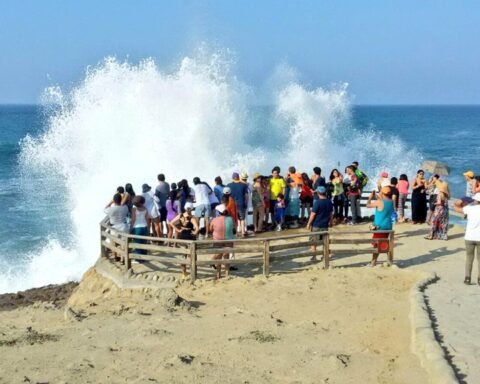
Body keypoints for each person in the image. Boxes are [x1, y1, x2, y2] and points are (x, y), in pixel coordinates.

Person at [454, 193, 480, 285]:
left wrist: (459, 201)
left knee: (469, 258)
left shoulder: (469, 209)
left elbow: (456, 208)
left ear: (476, 201)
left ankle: (467, 278)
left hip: (469, 237)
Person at [169, 202, 199, 277]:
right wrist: (195, 233)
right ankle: (193, 272)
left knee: (183, 255)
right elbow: (197, 228)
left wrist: (178, 230)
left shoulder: (180, 215)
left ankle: (184, 273)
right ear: (192, 208)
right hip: (190, 236)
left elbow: (171, 223)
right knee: (191, 255)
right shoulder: (192, 218)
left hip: (182, 236)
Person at [366, 186, 394, 267]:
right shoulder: (392, 201)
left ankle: (373, 262)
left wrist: (370, 197)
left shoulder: (379, 202)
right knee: (384, 243)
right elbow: (384, 200)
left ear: (382, 193)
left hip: (379, 227)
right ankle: (388, 260)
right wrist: (378, 196)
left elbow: (368, 205)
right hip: (388, 226)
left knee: (376, 245)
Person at [306, 186, 333, 261]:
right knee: (325, 241)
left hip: (316, 225)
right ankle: (325, 256)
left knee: (313, 241)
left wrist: (308, 224)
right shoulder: (329, 202)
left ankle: (314, 257)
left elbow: (312, 214)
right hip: (325, 225)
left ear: (318, 193)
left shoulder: (317, 202)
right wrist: (331, 222)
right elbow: (331, 214)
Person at [209, 204, 235, 279]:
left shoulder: (214, 220)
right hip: (229, 240)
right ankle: (227, 274)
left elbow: (211, 229)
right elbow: (234, 228)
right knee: (226, 257)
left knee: (218, 258)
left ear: (218, 212)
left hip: (218, 240)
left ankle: (218, 274)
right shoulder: (231, 219)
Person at [227, 173, 248, 237]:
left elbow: (227, 195)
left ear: (233, 178)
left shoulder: (229, 185)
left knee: (234, 219)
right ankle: (243, 232)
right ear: (239, 177)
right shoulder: (244, 185)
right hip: (241, 203)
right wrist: (246, 203)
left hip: (232, 204)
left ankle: (236, 233)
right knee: (242, 219)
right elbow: (246, 196)